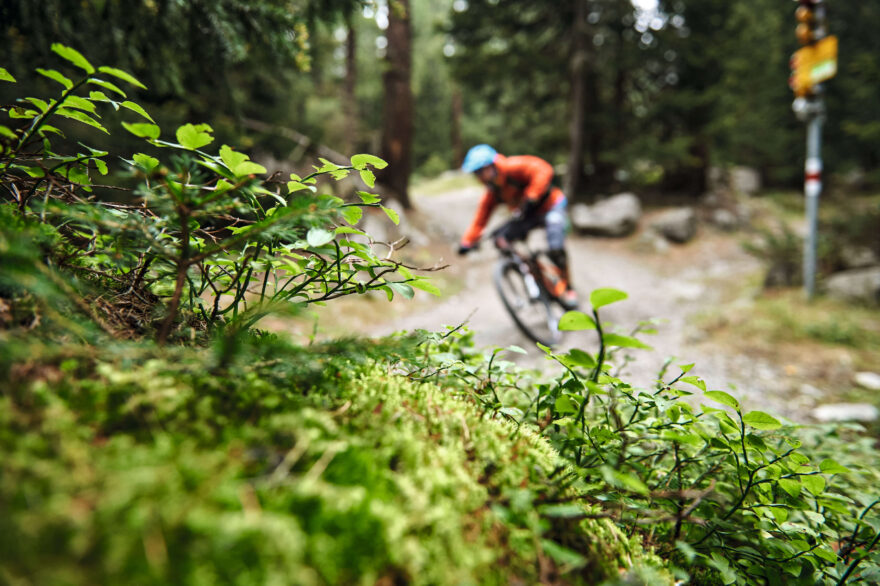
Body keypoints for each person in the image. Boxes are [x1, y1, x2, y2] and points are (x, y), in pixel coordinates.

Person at [456, 144, 579, 309]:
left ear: (491, 165)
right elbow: (480, 220)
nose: (479, 177)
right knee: (500, 239)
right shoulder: (492, 192)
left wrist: (532, 195)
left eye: (480, 171)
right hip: (527, 214)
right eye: (475, 173)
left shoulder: (513, 167)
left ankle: (569, 288)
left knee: (556, 248)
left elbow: (543, 169)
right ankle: (533, 273)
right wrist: (467, 242)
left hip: (551, 206)